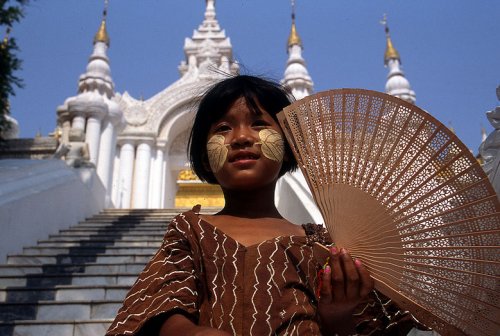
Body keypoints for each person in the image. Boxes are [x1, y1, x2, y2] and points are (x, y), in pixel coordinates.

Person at [106, 75, 424, 336]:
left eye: (260, 124)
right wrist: (188, 332)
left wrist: (338, 310)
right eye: (222, 129)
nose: (242, 138)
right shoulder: (191, 232)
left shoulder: (323, 243)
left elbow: (354, 328)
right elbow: (159, 303)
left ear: (288, 149)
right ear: (205, 156)